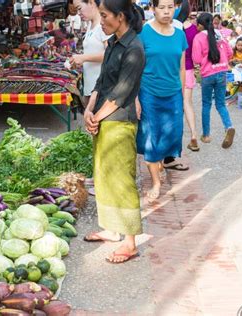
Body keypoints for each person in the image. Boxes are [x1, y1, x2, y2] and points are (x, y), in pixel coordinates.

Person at [83, 0, 145, 264]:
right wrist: (89, 109)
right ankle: (111, 229)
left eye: (105, 15)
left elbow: (120, 93)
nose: (103, 20)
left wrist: (96, 116)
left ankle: (130, 242)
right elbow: (101, 82)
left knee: (121, 180)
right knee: (104, 175)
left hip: (120, 121)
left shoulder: (134, 48)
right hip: (103, 118)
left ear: (120, 17)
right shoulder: (112, 44)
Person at [136, 0, 188, 200]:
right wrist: (136, 98)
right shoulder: (144, 34)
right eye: (162, 7)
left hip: (173, 93)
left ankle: (159, 162)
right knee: (152, 138)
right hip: (149, 93)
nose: (167, 12)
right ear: (152, 9)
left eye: (170, 7)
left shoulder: (180, 35)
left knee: (173, 134)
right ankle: (156, 182)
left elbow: (182, 67)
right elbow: (136, 67)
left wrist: (182, 95)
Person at [193, 13, 235, 149]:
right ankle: (228, 126)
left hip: (207, 75)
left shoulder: (198, 37)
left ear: (200, 25)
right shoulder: (220, 34)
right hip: (221, 72)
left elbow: (196, 59)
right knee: (221, 104)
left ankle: (206, 135)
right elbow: (230, 53)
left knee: (206, 104)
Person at [69, 0, 111, 113]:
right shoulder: (90, 25)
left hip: (102, 88)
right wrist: (80, 61)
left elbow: (111, 54)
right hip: (90, 86)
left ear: (91, 3)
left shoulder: (103, 25)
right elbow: (93, 51)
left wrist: (84, 58)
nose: (78, 13)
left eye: (79, 8)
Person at [183, 12, 200, 152]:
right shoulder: (194, 29)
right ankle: (193, 133)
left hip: (172, 71)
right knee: (187, 103)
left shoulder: (171, 27)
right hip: (188, 70)